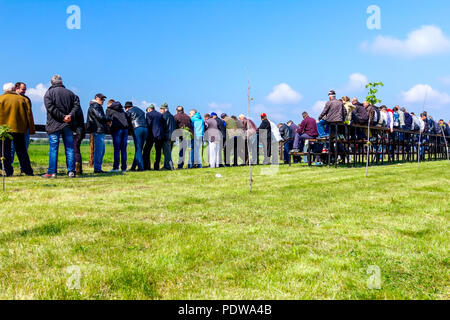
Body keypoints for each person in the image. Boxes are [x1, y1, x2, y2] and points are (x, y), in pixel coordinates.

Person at [42, 75, 80, 178]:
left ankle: (52, 172)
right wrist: (69, 116)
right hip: (68, 124)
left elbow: (50, 108)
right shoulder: (71, 93)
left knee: (53, 148)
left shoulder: (48, 94)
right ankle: (71, 171)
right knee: (70, 148)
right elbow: (76, 106)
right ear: (61, 82)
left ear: (52, 83)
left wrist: (62, 117)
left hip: (54, 124)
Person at [0, 82, 35, 177]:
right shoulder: (23, 99)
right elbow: (29, 116)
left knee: (4, 151)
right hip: (19, 129)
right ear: (13, 89)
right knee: (22, 151)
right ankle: (28, 171)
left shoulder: (1, 99)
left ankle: (8, 171)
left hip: (3, 130)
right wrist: (31, 129)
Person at [86, 93, 111, 173]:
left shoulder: (94, 106)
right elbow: (100, 117)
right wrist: (109, 118)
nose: (103, 101)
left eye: (103, 99)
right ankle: (97, 168)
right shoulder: (96, 106)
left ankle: (98, 167)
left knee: (101, 150)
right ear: (96, 98)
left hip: (97, 129)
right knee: (99, 151)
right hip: (98, 130)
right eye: (101, 99)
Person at [11, 82, 33, 172]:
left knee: (24, 149)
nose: (24, 91)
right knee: (11, 149)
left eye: (25, 89)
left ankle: (23, 168)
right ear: (17, 88)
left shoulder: (26, 98)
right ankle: (9, 167)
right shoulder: (13, 99)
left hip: (24, 128)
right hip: (15, 128)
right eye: (23, 89)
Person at [106, 99, 128, 173]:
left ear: (109, 104)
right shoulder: (121, 109)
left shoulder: (109, 109)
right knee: (124, 150)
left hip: (117, 129)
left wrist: (110, 129)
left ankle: (116, 168)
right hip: (125, 129)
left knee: (117, 149)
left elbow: (107, 120)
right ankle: (124, 168)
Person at [124, 102, 148, 171]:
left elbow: (127, 122)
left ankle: (141, 167)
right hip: (145, 129)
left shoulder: (129, 111)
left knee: (138, 149)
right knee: (139, 149)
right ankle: (133, 167)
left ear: (127, 108)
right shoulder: (141, 110)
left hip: (137, 128)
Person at [144, 104, 165, 170]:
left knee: (147, 150)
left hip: (151, 134)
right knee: (158, 151)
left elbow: (148, 124)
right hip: (160, 134)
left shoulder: (148, 114)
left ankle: (147, 166)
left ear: (149, 109)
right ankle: (157, 166)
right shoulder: (160, 115)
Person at [160, 103, 176, 170]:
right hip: (173, 136)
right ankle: (167, 165)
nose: (160, 111)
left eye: (161, 109)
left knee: (167, 152)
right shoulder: (172, 116)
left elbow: (162, 127)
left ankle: (169, 166)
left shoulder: (164, 116)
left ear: (164, 109)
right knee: (169, 152)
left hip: (167, 136)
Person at [73, 95, 85, 175]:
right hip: (80, 131)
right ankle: (79, 168)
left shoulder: (75, 109)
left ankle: (77, 168)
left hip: (76, 131)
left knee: (75, 149)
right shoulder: (79, 108)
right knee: (77, 149)